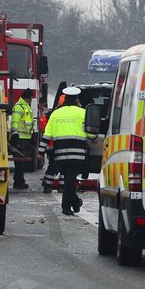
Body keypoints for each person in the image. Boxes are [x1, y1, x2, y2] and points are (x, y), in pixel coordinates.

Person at [40, 86, 90, 215]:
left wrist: (40, 150)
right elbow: (91, 133)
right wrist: (95, 138)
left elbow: (47, 135)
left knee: (68, 180)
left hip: (60, 155)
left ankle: (75, 202)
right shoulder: (83, 112)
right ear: (76, 99)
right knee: (70, 180)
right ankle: (66, 206)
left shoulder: (56, 114)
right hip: (78, 154)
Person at [10, 88, 35, 190]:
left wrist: (32, 135)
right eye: (31, 98)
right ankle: (19, 182)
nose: (31, 100)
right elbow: (15, 121)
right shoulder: (19, 107)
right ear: (27, 98)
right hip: (20, 138)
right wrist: (15, 133)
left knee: (21, 162)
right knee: (19, 162)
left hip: (25, 138)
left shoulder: (26, 107)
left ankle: (19, 180)